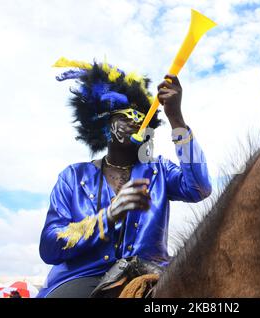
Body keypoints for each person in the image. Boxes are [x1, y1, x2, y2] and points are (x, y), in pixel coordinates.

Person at [36, 58, 212, 298]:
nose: (137, 121)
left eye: (143, 117)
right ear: (105, 125)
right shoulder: (73, 177)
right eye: (127, 114)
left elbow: (200, 188)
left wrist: (176, 119)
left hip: (150, 276)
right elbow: (49, 247)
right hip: (82, 278)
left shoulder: (159, 169)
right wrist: (108, 216)